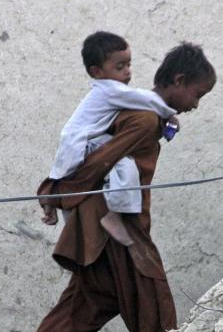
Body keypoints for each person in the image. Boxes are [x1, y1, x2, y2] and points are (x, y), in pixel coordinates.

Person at [22, 42, 216, 332]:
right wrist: (56, 191)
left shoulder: (144, 111)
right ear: (179, 81)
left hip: (105, 214)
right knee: (148, 282)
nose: (196, 105)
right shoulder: (143, 118)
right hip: (115, 220)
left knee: (101, 289)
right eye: (197, 95)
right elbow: (101, 160)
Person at [43, 31, 180, 247]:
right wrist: (170, 115)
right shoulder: (109, 89)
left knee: (75, 189)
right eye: (119, 67)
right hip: (83, 144)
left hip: (74, 144)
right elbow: (144, 98)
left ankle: (55, 209)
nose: (127, 72)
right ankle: (114, 215)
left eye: (128, 64)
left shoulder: (107, 91)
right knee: (126, 166)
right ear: (97, 72)